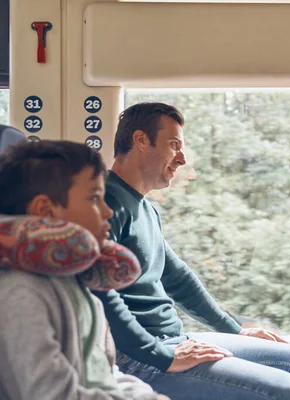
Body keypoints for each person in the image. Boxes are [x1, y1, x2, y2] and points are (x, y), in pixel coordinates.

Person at [95, 102, 290, 400]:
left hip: (172, 338)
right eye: (174, 145)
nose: (182, 158)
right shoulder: (105, 202)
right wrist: (162, 356)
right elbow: (101, 294)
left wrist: (234, 330)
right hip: (138, 354)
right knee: (285, 392)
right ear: (141, 140)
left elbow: (178, 279)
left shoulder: (146, 208)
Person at [0, 140, 168, 400]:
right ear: (46, 210)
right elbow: (50, 394)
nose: (107, 211)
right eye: (94, 198)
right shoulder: (21, 292)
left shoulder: (78, 283)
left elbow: (105, 375)